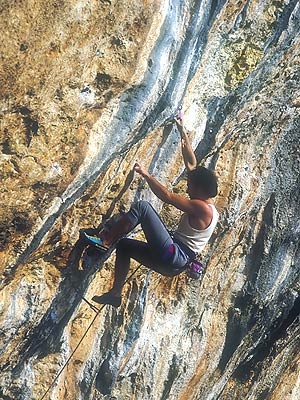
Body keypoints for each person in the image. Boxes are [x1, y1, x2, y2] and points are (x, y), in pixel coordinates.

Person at [89, 116, 219, 307]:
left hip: (174, 254)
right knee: (124, 246)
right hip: (173, 263)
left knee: (143, 207)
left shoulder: (202, 208)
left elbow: (167, 196)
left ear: (201, 189)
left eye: (190, 186)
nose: (187, 189)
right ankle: (115, 294)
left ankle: (105, 241)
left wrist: (146, 174)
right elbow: (191, 164)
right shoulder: (210, 207)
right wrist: (182, 130)